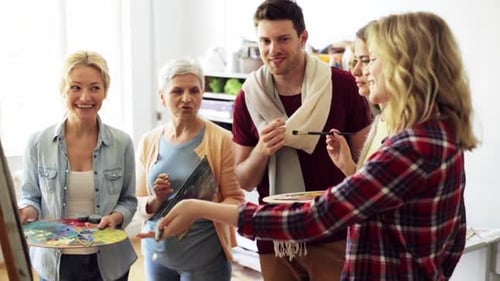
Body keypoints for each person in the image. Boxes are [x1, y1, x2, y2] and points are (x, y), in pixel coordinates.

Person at [148, 11, 479, 280]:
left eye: (371, 58)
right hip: (290, 242)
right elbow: (453, 238)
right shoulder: (440, 132)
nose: (362, 69)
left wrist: (200, 208)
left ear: (404, 65)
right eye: (264, 40)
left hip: (331, 238)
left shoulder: (411, 144)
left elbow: (314, 218)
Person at [231, 1, 372, 280]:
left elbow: (367, 168)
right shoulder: (247, 97)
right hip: (275, 237)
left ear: (303, 38)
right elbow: (244, 180)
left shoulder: (343, 86)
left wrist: (346, 159)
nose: (273, 50)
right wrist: (261, 150)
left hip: (333, 231)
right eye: (265, 41)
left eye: (283, 39)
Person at [18, 50, 137, 281]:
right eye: (75, 87)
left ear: (105, 91)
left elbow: (128, 200)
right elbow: (31, 197)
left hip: (110, 261)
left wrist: (116, 217)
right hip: (56, 262)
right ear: (63, 90)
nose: (85, 97)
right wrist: (25, 212)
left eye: (95, 87)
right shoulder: (37, 143)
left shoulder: (122, 143)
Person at [134, 58, 245, 281]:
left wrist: (198, 208)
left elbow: (235, 200)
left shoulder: (222, 140)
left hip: (205, 261)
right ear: (162, 97)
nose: (187, 99)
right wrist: (156, 199)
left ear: (202, 93)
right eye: (177, 91)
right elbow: (138, 200)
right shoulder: (149, 141)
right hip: (156, 255)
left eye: (194, 90)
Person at [330, 22, 388, 176]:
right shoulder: (381, 122)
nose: (355, 71)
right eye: (355, 61)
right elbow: (373, 189)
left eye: (367, 60)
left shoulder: (406, 134)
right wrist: (348, 166)